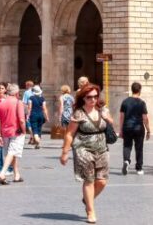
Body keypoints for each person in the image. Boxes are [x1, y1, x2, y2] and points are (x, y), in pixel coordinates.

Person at [60, 84, 112, 224]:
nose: (93, 100)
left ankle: (87, 199)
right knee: (89, 180)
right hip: (83, 148)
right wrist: (65, 151)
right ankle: (90, 210)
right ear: (83, 98)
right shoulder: (79, 113)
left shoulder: (102, 110)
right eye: (89, 97)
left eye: (95, 96)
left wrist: (107, 118)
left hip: (102, 148)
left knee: (102, 181)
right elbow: (69, 133)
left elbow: (112, 125)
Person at [0, 83, 26, 184]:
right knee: (12, 152)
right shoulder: (18, 102)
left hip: (4, 132)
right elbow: (22, 119)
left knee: (12, 153)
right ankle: (2, 173)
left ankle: (16, 174)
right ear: (17, 92)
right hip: (16, 131)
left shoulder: (1, 103)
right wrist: (24, 130)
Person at [119, 82, 149, 175]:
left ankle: (126, 160)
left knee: (127, 146)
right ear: (139, 90)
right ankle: (139, 168)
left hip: (127, 127)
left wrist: (120, 129)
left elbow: (121, 117)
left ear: (132, 89)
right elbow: (145, 118)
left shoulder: (125, 102)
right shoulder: (142, 103)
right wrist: (148, 129)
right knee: (139, 147)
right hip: (138, 128)